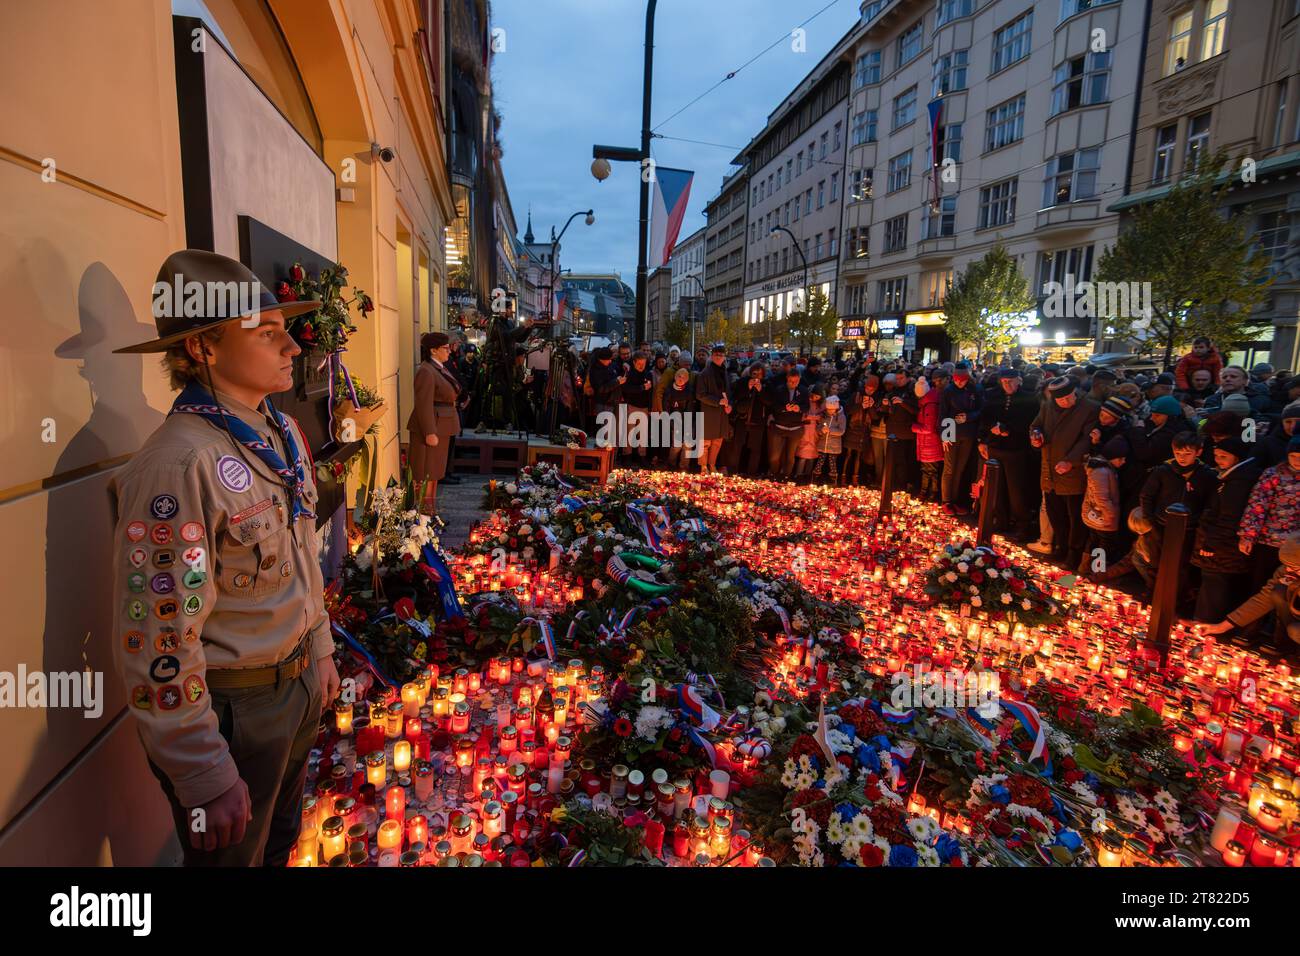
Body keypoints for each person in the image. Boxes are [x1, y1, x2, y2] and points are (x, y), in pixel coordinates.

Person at [110, 249, 338, 866]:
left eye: (285, 330)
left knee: (281, 844)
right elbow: (158, 637)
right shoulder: (177, 465)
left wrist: (317, 650)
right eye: (267, 334)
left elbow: (302, 556)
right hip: (233, 710)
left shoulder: (278, 433)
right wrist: (201, 767)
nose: (292, 347)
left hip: (292, 689)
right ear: (203, 349)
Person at [1031, 376, 1100, 569]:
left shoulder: (1089, 408)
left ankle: (1073, 553)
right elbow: (1035, 425)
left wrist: (1071, 461)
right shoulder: (1047, 406)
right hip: (1049, 469)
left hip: (1072, 471)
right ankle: (1060, 547)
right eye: (1062, 400)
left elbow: (1087, 439)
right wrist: (1036, 436)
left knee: (1074, 516)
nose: (1067, 402)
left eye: (1070, 397)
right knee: (1055, 513)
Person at [1191, 438, 1263, 623]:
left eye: (1224, 456)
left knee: (1214, 582)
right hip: (1221, 543)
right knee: (1214, 582)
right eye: (1216, 456)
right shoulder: (1230, 477)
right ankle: (1206, 622)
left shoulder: (1237, 483)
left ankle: (1205, 623)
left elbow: (1229, 517)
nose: (1218, 460)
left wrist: (1211, 542)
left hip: (1222, 546)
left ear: (1237, 458)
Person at [1201, 533, 1300, 660]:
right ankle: (1288, 645)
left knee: (1296, 631)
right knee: (1278, 592)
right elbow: (1263, 599)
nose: (1288, 571)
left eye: (1294, 567)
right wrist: (1221, 627)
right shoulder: (1287, 571)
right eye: (1287, 566)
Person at [978, 368, 1039, 541]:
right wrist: (983, 439)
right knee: (997, 488)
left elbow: (1030, 421)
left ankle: (1022, 526)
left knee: (1017, 491)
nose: (1008, 385)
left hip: (1016, 449)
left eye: (1011, 381)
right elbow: (985, 417)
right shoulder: (993, 396)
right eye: (1004, 381)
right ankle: (1000, 520)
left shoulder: (1029, 398)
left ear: (1019, 380)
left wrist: (1009, 429)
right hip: (995, 446)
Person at [1238, 433, 1300, 593]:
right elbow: (1257, 505)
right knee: (1262, 585)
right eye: (1293, 456)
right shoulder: (1273, 475)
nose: (1297, 460)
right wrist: (1248, 536)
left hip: (1296, 546)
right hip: (1269, 541)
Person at [409, 332, 463, 512]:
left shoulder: (438, 367)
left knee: (435, 473)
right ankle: (424, 514)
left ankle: (430, 513)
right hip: (433, 427)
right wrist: (429, 431)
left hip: (442, 426)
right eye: (445, 348)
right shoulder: (426, 371)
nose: (449, 351)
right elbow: (423, 403)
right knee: (426, 473)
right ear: (433, 350)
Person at [939, 361, 983, 515]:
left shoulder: (975, 390)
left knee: (960, 468)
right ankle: (946, 501)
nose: (958, 382)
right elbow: (943, 413)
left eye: (962, 379)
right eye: (956, 379)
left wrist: (969, 417)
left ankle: (955, 500)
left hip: (968, 432)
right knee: (950, 468)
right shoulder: (948, 391)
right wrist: (944, 435)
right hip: (951, 430)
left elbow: (981, 410)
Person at [1081, 436, 1128, 577]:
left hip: (1095, 515)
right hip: (1101, 517)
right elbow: (1101, 497)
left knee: (1094, 541)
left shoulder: (1103, 469)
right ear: (1112, 457)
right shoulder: (1102, 471)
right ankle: (1097, 572)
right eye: (1121, 458)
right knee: (1103, 546)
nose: (1124, 462)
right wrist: (1111, 515)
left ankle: (1085, 568)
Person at [765, 367, 809, 479]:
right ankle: (774, 474)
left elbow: (806, 407)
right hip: (779, 426)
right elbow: (773, 406)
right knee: (774, 456)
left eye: (796, 381)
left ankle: (786, 477)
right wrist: (784, 408)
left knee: (790, 457)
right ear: (787, 379)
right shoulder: (779, 390)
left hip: (795, 428)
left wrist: (799, 408)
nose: (793, 384)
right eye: (790, 381)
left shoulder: (803, 391)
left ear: (799, 380)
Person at [728, 362, 769, 476]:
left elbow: (769, 401)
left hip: (758, 421)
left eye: (760, 374)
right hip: (742, 419)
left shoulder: (766, 384)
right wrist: (748, 388)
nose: (756, 376)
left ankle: (751, 473)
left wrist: (761, 390)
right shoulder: (743, 382)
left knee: (755, 450)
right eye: (754, 373)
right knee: (737, 447)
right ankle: (733, 472)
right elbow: (736, 396)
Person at [840, 377, 876, 486]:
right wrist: (861, 405)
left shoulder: (875, 399)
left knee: (859, 456)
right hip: (853, 427)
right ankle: (843, 476)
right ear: (865, 387)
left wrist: (870, 407)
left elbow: (875, 417)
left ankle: (855, 477)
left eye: (872, 390)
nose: (869, 391)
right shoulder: (856, 395)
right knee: (848, 454)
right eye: (868, 388)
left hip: (864, 430)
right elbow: (848, 410)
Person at [621, 350, 655, 466]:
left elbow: (651, 392)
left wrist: (650, 407)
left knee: (643, 434)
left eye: (643, 364)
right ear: (634, 363)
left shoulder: (648, 374)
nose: (641, 366)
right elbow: (626, 389)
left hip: (644, 407)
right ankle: (627, 456)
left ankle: (642, 456)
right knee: (629, 432)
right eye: (639, 364)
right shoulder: (630, 374)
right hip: (632, 405)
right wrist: (641, 388)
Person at [913, 375, 944, 502]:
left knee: (930, 470)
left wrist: (914, 427)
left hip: (930, 443)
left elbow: (929, 428)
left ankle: (930, 493)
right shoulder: (927, 402)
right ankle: (928, 492)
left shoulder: (929, 405)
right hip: (928, 443)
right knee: (928, 469)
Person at [661, 368, 696, 471]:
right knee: (676, 445)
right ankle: (671, 464)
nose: (681, 379)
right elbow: (666, 407)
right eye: (679, 376)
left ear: (687, 379)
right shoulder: (669, 390)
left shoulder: (689, 391)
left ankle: (684, 466)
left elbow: (690, 408)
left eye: (684, 377)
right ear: (675, 377)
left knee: (687, 445)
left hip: (687, 421)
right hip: (674, 421)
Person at [811, 394, 846, 484]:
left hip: (834, 446)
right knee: (820, 461)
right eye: (828, 409)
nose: (829, 411)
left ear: (836, 408)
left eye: (831, 409)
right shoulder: (824, 416)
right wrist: (821, 430)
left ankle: (833, 479)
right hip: (823, 443)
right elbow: (818, 428)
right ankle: (815, 477)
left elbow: (841, 431)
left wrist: (830, 430)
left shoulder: (841, 417)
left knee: (832, 462)